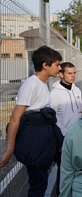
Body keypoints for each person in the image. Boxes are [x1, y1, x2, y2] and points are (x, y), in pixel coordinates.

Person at [0, 46, 63, 197]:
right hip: (35, 143)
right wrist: (9, 149)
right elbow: (16, 117)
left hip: (43, 138)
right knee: (38, 184)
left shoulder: (41, 83)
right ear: (45, 65)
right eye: (57, 64)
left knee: (42, 180)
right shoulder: (31, 85)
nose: (59, 68)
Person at [48, 62, 82, 196]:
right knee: (64, 172)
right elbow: (51, 120)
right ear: (61, 74)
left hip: (78, 137)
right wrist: (59, 141)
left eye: (74, 73)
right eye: (69, 73)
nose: (73, 76)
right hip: (63, 139)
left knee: (78, 169)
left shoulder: (77, 90)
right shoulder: (54, 94)